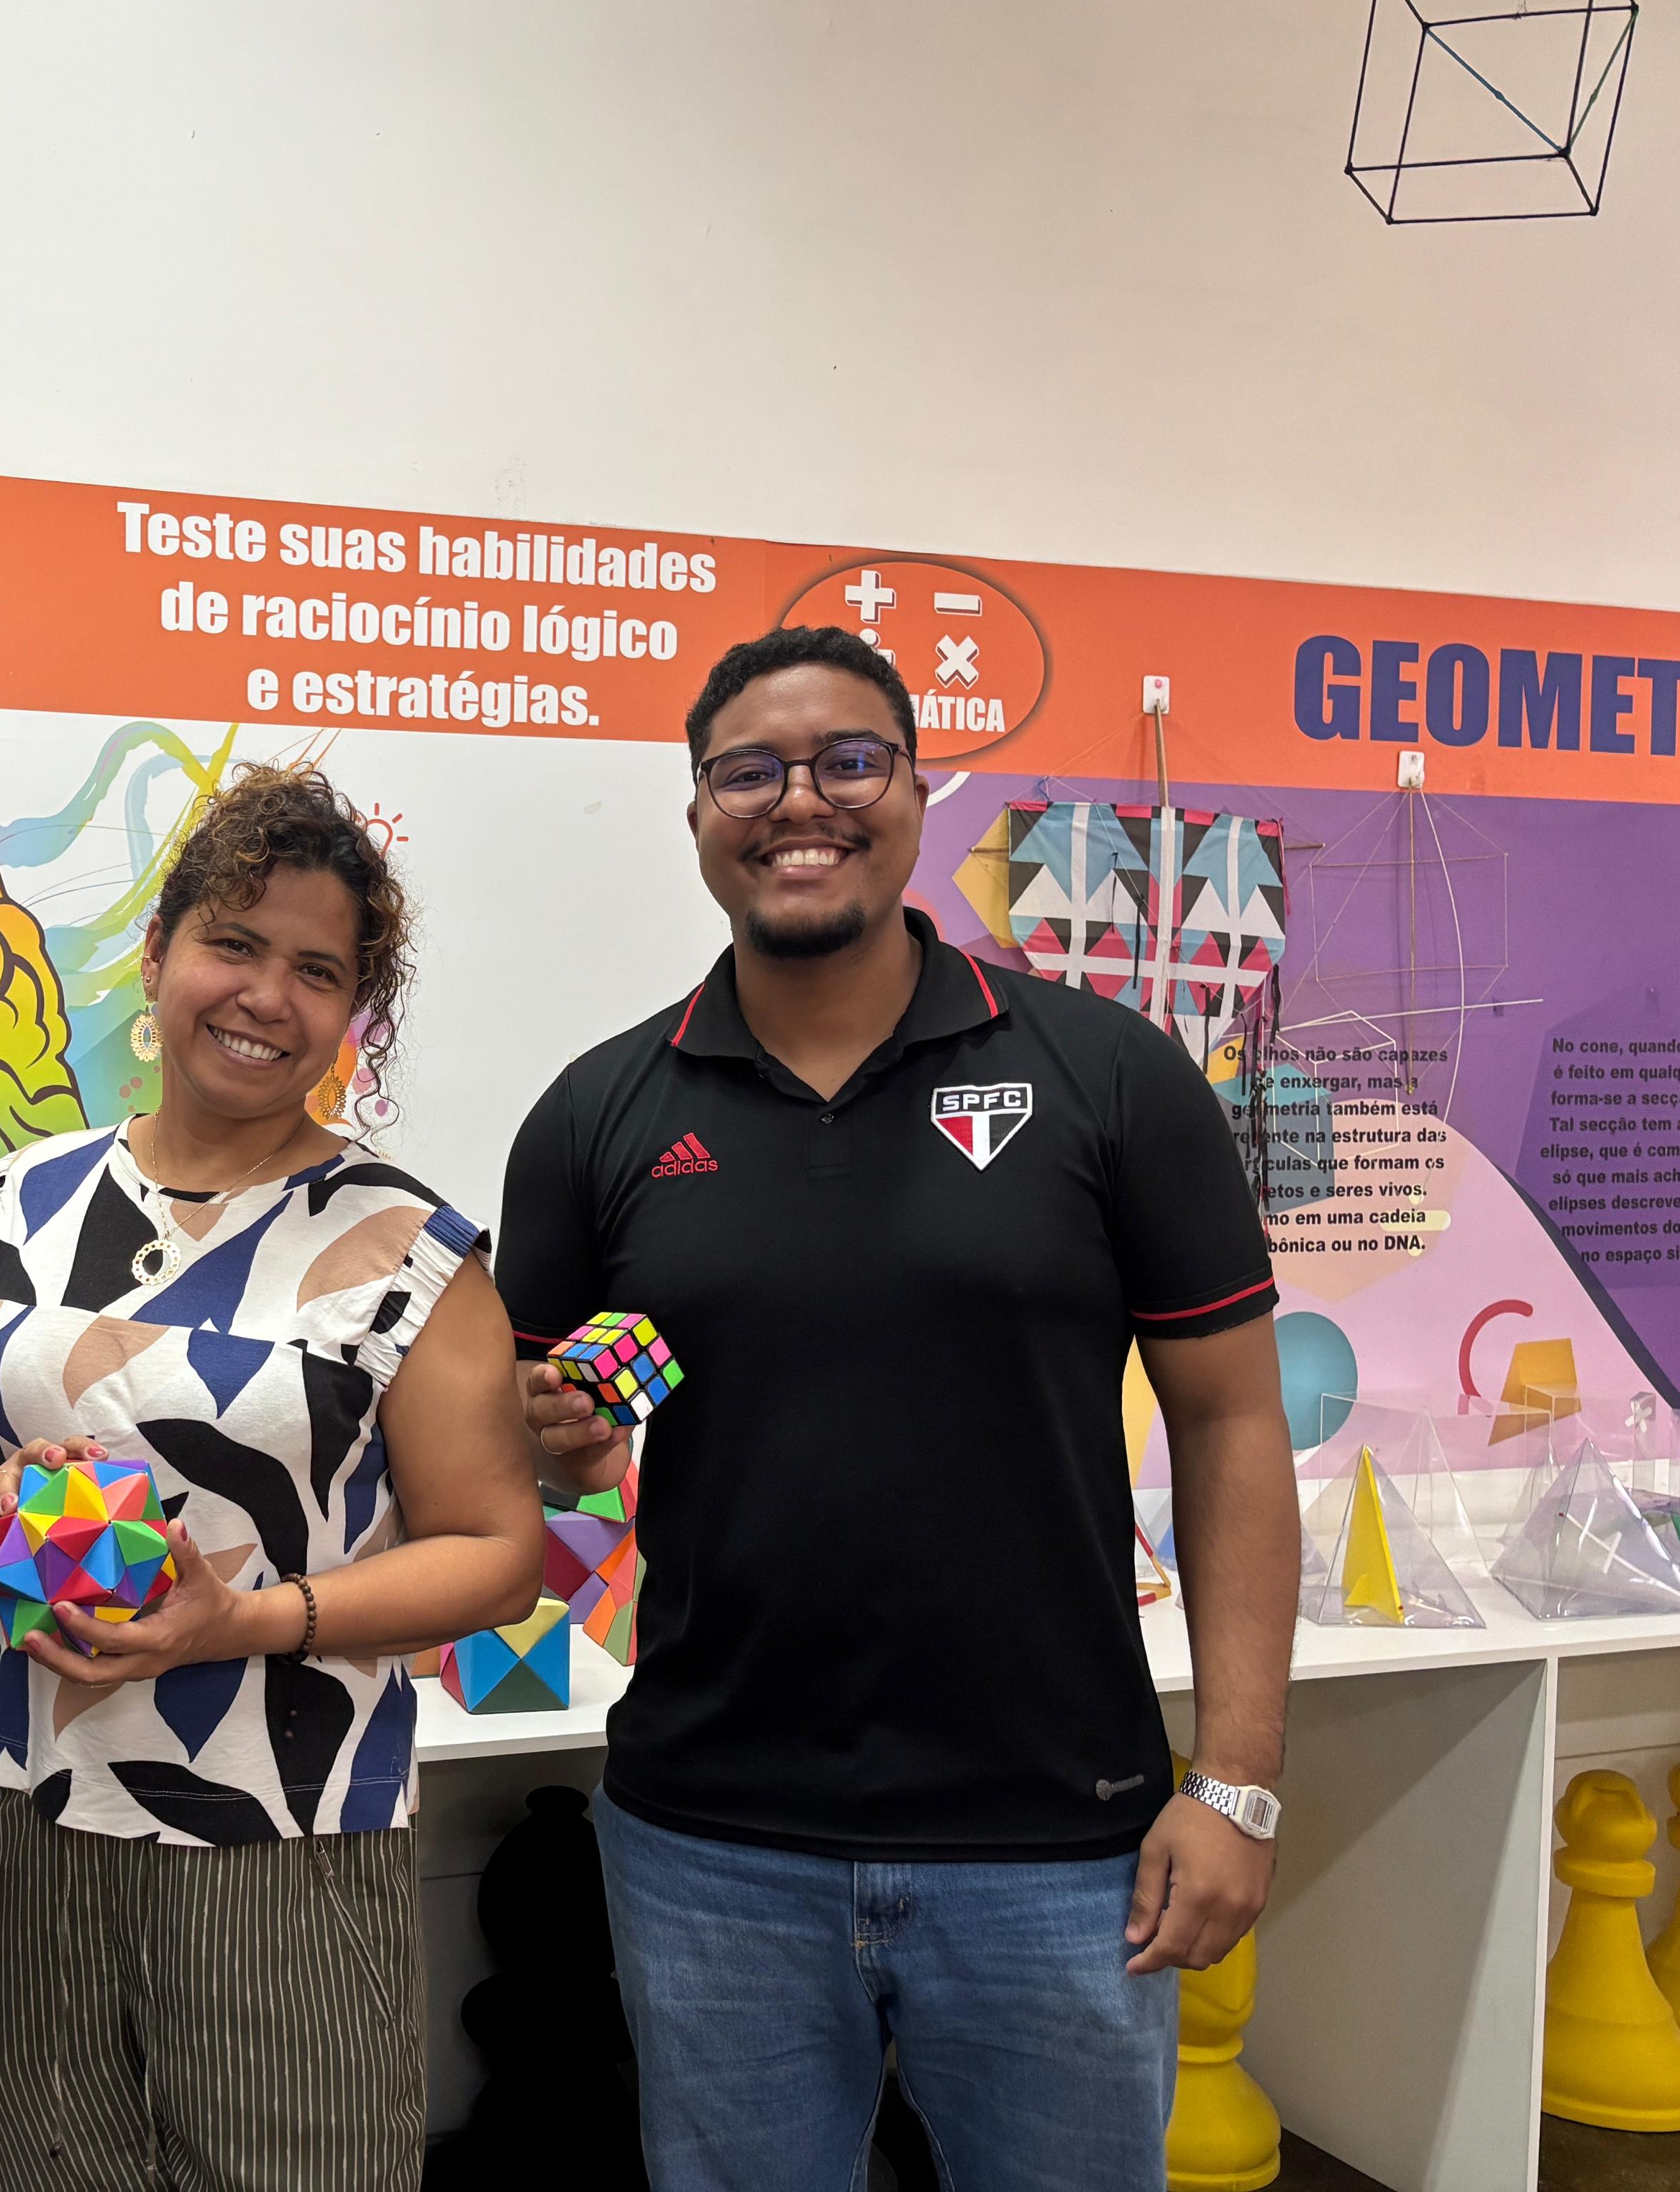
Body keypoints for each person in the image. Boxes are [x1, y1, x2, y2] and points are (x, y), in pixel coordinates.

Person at [500, 624, 1302, 2191]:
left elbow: (1230, 1426)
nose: (799, 800)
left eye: (847, 760)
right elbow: (525, 1437)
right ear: (697, 817)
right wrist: (564, 1447)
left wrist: (1238, 1779)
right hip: (708, 1840)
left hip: (1059, 1842)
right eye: (749, 771)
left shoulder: (1106, 1075)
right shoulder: (599, 1113)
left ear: (918, 791)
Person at [0, 762, 573, 2192]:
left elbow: (495, 1551)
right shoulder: (25, 1199)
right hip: (29, 1805)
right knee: (49, 2168)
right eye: (233, 942)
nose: (265, 995)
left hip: (287, 1828)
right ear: (158, 955)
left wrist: (241, 1621)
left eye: (316, 970)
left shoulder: (408, 1247)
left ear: (350, 1016)